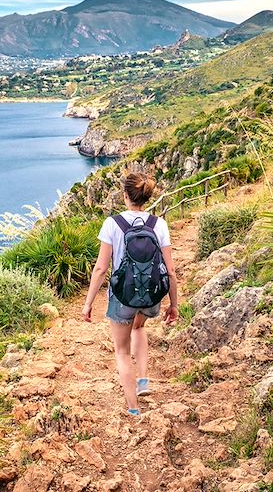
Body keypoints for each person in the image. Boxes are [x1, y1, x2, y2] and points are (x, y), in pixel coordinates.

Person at [81, 172, 178, 416]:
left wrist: (88, 303)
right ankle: (143, 381)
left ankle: (133, 409)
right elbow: (170, 270)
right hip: (152, 297)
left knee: (122, 352)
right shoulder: (159, 224)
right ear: (146, 197)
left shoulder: (112, 224)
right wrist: (173, 304)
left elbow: (101, 268)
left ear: (125, 196)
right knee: (139, 328)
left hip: (123, 297)